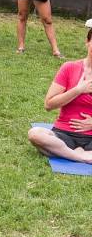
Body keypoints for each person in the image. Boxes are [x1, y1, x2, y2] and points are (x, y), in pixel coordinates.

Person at [27, 28, 92, 163]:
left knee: (46, 148)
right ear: (87, 42)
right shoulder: (69, 68)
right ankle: (81, 157)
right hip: (64, 134)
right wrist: (78, 90)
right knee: (35, 134)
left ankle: (64, 153)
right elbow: (48, 105)